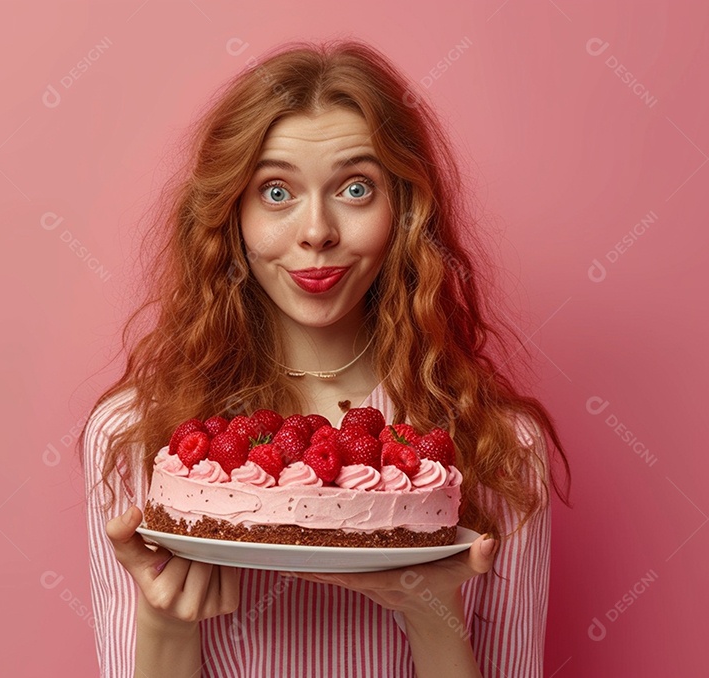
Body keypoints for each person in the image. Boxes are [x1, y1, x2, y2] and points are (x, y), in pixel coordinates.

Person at [78, 38, 572, 678]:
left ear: (405, 211)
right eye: (276, 193)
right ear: (232, 215)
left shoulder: (501, 446)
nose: (317, 231)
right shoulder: (132, 436)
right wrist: (165, 623)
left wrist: (430, 614)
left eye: (356, 188)